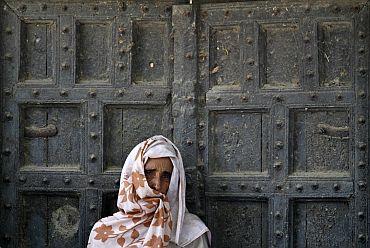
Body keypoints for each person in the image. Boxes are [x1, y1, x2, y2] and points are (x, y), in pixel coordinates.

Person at [87, 135, 210, 247]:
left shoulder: (192, 233)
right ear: (134, 175)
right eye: (149, 173)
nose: (157, 184)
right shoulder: (104, 233)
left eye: (166, 176)